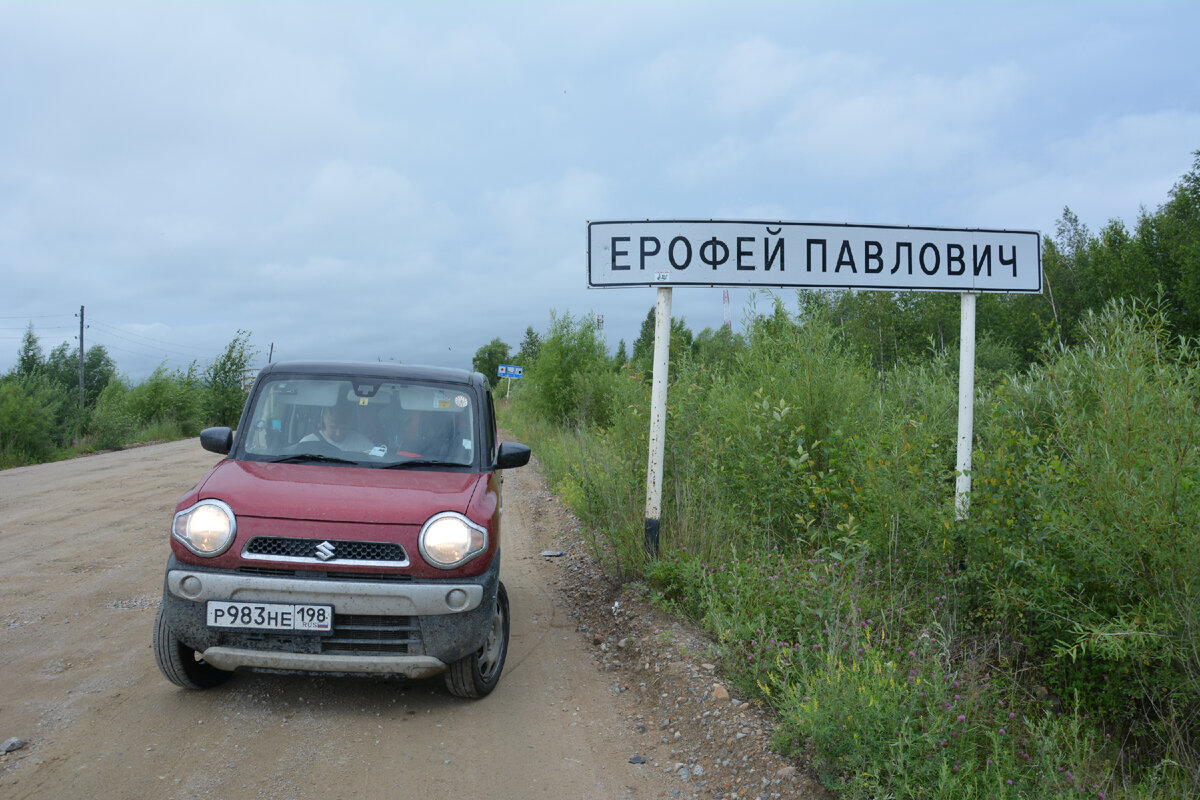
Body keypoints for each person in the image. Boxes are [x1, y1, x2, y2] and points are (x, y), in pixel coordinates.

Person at [300, 404, 375, 453]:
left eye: (344, 428)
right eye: (333, 427)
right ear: (323, 419)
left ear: (351, 422)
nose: (338, 433)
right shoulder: (308, 444)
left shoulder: (362, 444)